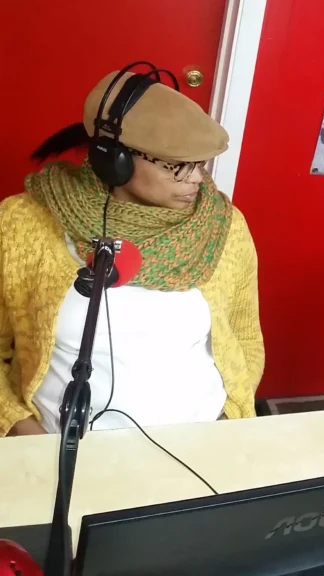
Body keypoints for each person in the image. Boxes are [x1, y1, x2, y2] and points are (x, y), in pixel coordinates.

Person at [0, 65, 264, 437]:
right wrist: (26, 434)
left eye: (200, 164)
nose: (197, 179)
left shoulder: (225, 225)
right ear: (116, 160)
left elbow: (245, 336)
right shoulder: (24, 223)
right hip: (59, 451)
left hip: (201, 448)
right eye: (177, 166)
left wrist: (224, 425)